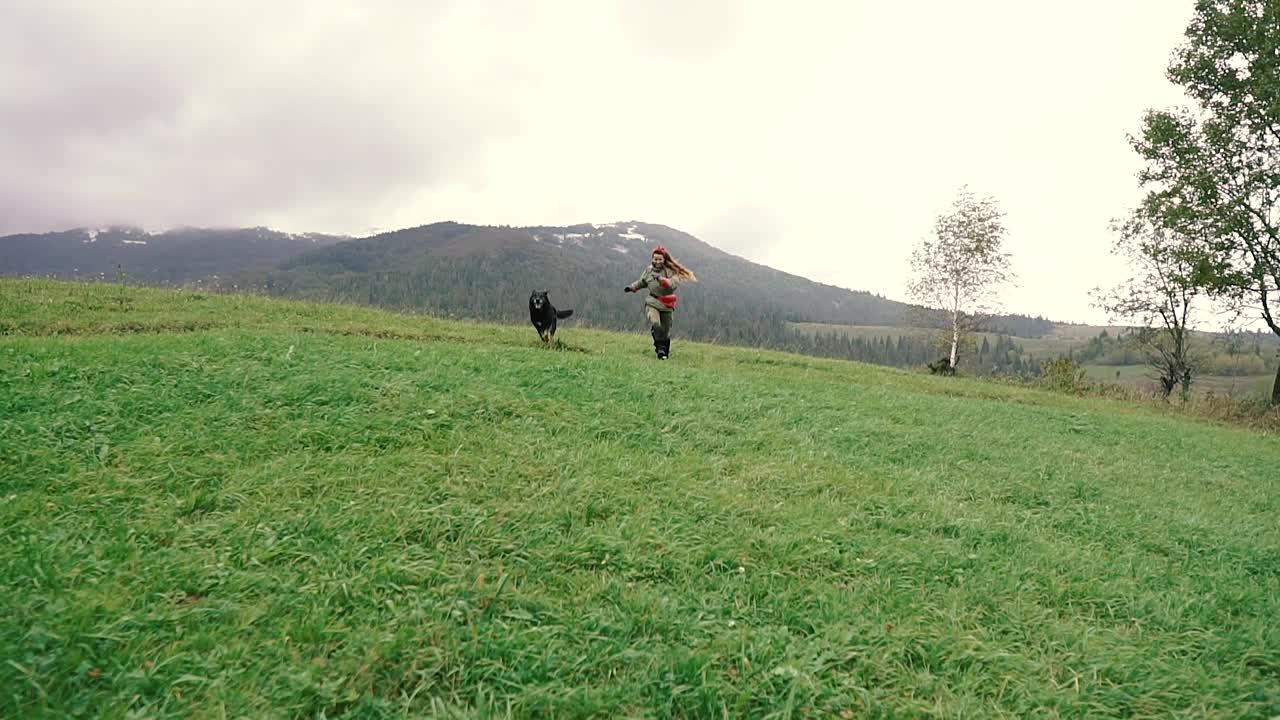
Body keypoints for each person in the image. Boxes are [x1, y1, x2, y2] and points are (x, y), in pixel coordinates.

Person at [624, 246, 697, 359]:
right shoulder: (648, 270)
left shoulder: (671, 271)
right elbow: (642, 282)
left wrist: (661, 279)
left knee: (665, 331)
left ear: (664, 260)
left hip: (667, 305)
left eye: (660, 259)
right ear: (652, 259)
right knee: (656, 323)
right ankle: (660, 349)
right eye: (655, 259)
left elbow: (672, 284)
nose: (657, 261)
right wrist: (632, 287)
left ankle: (664, 353)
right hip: (652, 302)